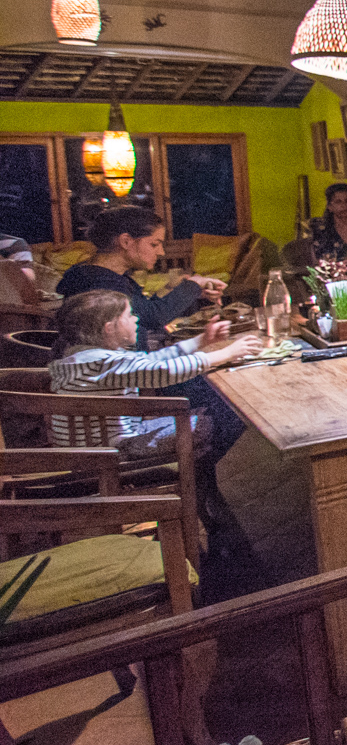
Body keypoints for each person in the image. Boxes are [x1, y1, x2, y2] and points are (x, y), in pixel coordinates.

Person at [50, 290, 260, 530]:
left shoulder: (83, 359)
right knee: (226, 416)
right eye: (129, 316)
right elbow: (162, 372)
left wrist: (200, 341)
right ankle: (196, 486)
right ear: (109, 328)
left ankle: (202, 485)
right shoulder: (104, 363)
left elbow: (150, 361)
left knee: (211, 412)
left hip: (96, 449)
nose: (136, 320)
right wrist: (225, 354)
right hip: (113, 453)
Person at [57, 206, 226, 349]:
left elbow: (146, 310)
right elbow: (153, 317)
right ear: (126, 241)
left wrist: (192, 293)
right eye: (154, 244)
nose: (161, 252)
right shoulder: (99, 284)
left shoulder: (96, 275)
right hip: (124, 381)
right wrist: (193, 284)